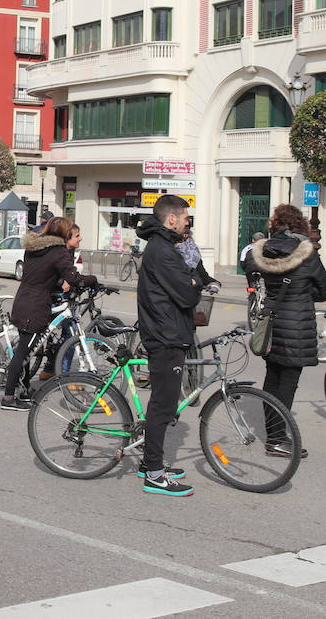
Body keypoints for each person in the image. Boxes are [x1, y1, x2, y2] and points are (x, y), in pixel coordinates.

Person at [242, 204, 326, 460]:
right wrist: (303, 293)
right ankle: (277, 439)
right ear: (298, 224)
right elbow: (323, 290)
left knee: (272, 380)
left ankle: (274, 434)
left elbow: (250, 269)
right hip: (296, 325)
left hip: (272, 322)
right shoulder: (307, 253)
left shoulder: (264, 250)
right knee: (288, 384)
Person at [134, 195, 203, 497]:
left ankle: (150, 462)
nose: (188, 221)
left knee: (163, 404)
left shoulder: (163, 246)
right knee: (163, 405)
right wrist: (196, 284)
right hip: (165, 335)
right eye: (186, 216)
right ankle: (154, 474)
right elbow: (187, 296)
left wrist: (191, 281)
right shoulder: (163, 250)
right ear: (172, 219)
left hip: (167, 330)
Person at [2, 217, 97, 411]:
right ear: (65, 234)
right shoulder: (59, 252)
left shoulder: (34, 248)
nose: (79, 238)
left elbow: (39, 274)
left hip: (24, 300)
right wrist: (93, 280)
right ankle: (9, 398)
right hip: (34, 306)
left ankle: (25, 390)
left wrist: (56, 282)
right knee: (22, 353)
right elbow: (74, 278)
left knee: (28, 349)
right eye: (75, 234)